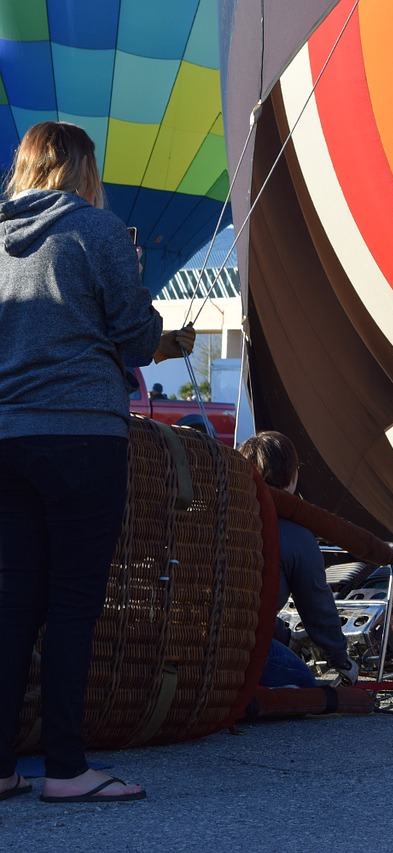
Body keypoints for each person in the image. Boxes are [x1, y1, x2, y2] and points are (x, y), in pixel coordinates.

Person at [0, 121, 194, 804]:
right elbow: (136, 335)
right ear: (82, 169)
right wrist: (157, 328)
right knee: (75, 603)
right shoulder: (97, 230)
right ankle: (65, 767)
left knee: (14, 603)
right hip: (82, 433)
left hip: (7, 437)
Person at [238, 431, 360, 686]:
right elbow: (316, 604)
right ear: (292, 475)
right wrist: (341, 660)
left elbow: (242, 602)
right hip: (240, 649)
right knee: (305, 682)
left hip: (191, 643)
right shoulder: (295, 534)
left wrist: (285, 636)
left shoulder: (224, 516)